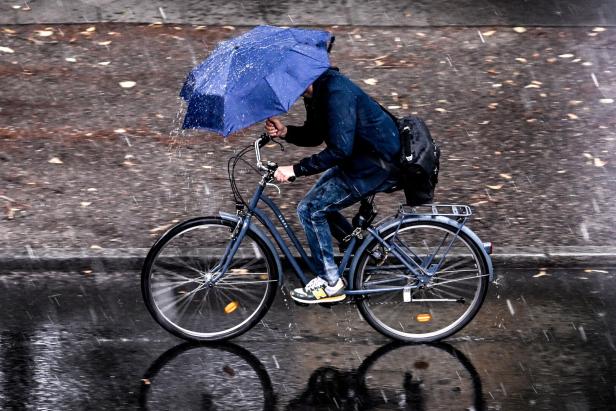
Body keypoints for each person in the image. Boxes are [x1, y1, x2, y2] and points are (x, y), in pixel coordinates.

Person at [264, 67, 400, 304]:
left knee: (311, 210)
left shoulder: (337, 93)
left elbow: (340, 149)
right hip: (360, 159)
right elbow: (316, 135)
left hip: (375, 165)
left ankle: (330, 283)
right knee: (312, 206)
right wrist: (286, 132)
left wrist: (295, 170)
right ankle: (366, 251)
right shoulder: (315, 92)